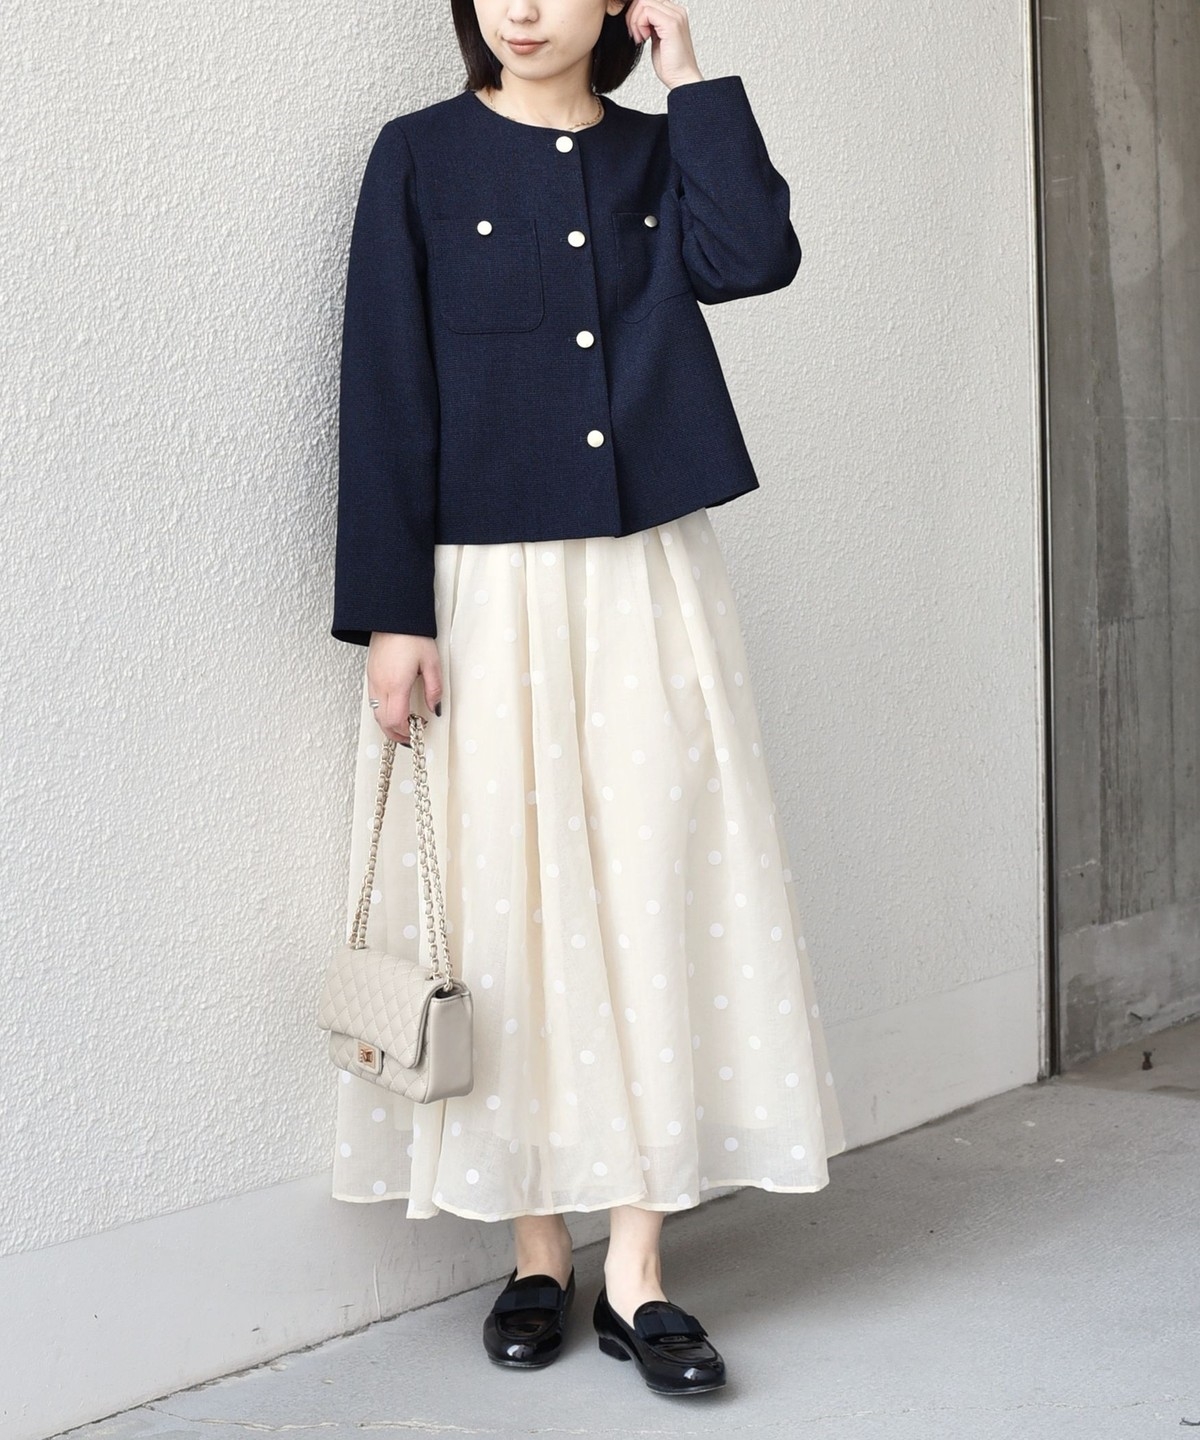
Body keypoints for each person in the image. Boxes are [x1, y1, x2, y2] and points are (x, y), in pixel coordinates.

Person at [327, 0, 847, 1397]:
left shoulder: (655, 152)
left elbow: (755, 256)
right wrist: (391, 612)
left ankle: (640, 1269)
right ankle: (538, 1249)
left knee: (655, 878)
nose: (523, 6)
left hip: (645, 575)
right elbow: (383, 384)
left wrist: (691, 75)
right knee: (512, 899)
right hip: (485, 590)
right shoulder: (419, 155)